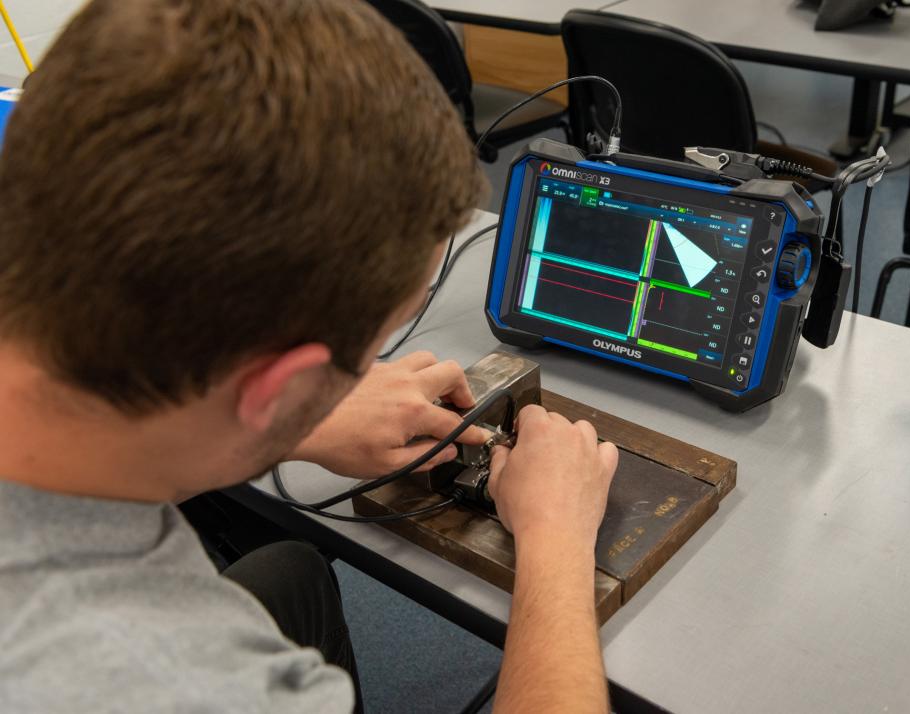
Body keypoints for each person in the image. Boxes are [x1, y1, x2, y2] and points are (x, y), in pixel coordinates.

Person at [0, 1, 619, 713]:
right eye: (360, 358)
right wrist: (555, 540)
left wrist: (294, 420)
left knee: (293, 572)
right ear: (269, 385)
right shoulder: (180, 680)